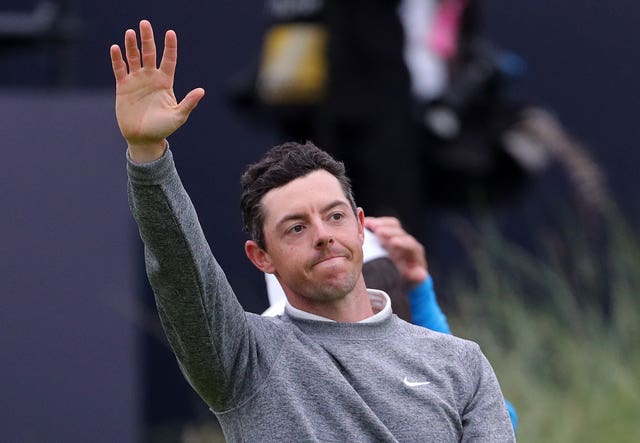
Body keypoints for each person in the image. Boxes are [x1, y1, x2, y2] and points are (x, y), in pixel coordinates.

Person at [111, 20, 515, 441]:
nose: (323, 234)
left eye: (335, 216)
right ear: (260, 256)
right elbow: (183, 276)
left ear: (360, 227)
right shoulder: (245, 358)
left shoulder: (460, 363)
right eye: (296, 227)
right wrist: (148, 156)